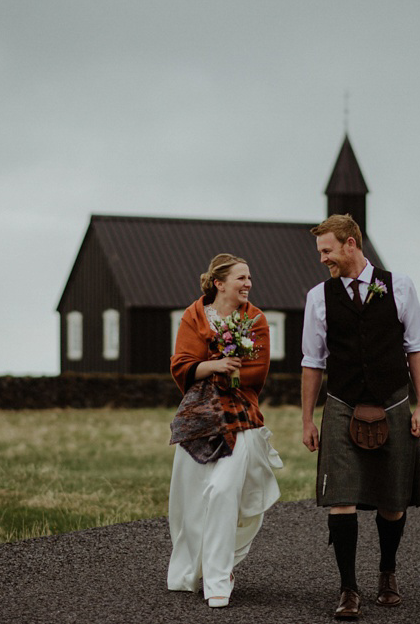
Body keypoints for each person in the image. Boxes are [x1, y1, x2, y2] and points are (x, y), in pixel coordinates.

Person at [300, 214, 420, 620]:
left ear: (351, 244)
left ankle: (387, 573)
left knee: (392, 501)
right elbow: (311, 362)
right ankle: (348, 589)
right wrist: (307, 418)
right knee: (341, 500)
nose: (323, 259)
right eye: (320, 251)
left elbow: (417, 349)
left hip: (392, 402)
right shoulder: (318, 297)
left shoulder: (401, 286)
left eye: (328, 250)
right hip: (341, 403)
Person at [167, 253, 283, 608]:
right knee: (190, 499)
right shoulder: (194, 315)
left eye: (249, 278)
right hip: (198, 419)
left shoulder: (257, 320)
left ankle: (220, 576)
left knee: (221, 491)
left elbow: (256, 373)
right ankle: (192, 567)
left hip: (241, 417)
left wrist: (218, 370)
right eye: (241, 278)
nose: (248, 284)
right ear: (219, 283)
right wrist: (217, 364)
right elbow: (181, 366)